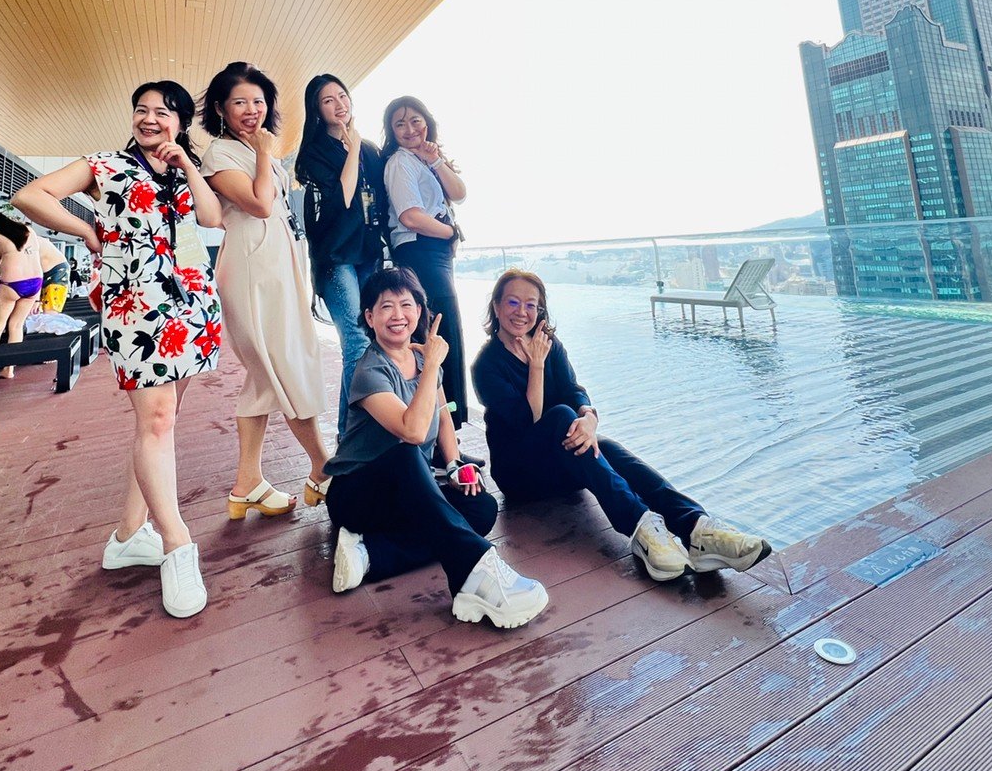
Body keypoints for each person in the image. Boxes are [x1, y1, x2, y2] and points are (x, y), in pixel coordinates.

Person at [13, 81, 223, 619]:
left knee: (161, 422)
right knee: (156, 420)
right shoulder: (105, 165)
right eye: (141, 110)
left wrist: (187, 164)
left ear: (181, 122)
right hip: (135, 305)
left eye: (163, 112)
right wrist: (87, 230)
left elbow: (211, 218)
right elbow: (30, 196)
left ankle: (129, 534)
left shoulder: (183, 169)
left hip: (192, 303)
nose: (150, 119)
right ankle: (177, 544)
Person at [472, 271, 773, 579]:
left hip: (562, 461)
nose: (522, 312)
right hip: (522, 477)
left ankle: (697, 529)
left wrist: (589, 418)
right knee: (562, 416)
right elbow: (528, 420)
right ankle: (641, 528)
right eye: (513, 302)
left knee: (605, 446)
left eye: (531, 305)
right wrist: (536, 365)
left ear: (540, 310)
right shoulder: (486, 365)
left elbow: (573, 390)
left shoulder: (548, 344)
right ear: (496, 306)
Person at [324, 267, 548, 629]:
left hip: (407, 490)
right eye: (386, 307)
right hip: (358, 494)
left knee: (481, 510)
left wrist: (455, 464)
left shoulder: (423, 360)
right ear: (369, 316)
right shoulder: (370, 371)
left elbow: (442, 415)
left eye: (406, 305)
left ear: (419, 311)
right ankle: (473, 574)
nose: (398, 315)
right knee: (405, 453)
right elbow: (412, 431)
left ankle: (370, 555)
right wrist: (432, 368)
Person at [200, 61, 332, 516]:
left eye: (258, 101)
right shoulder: (220, 154)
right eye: (240, 102)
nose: (251, 109)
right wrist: (262, 153)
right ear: (221, 108)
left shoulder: (263, 153)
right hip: (252, 268)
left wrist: (265, 154)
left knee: (266, 375)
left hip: (280, 264)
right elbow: (258, 205)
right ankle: (324, 468)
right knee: (284, 364)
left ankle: (247, 484)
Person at [294, 74, 386, 432]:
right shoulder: (313, 153)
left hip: (369, 254)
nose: (339, 104)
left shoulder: (371, 151)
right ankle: (351, 434)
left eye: (342, 96)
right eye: (328, 100)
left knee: (371, 341)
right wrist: (353, 148)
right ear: (317, 110)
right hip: (335, 258)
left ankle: (359, 430)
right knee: (356, 342)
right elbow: (343, 198)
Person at [381, 95, 470, 434]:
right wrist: (451, 232)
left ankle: (448, 435)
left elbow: (459, 192)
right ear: (391, 131)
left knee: (445, 338)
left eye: (415, 120)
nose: (409, 129)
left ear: (427, 122)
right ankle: (440, 435)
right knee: (439, 338)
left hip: (434, 255)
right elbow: (410, 216)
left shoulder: (425, 160)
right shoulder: (400, 162)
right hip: (420, 252)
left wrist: (436, 161)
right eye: (400, 124)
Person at [0, 210, 44, 379]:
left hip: (11, 284)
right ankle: (9, 369)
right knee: (16, 326)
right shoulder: (28, 230)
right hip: (35, 282)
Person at [37, 235, 70, 313]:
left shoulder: (30, 241)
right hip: (52, 269)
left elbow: (33, 272)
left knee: (49, 311)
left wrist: (36, 300)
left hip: (57, 271)